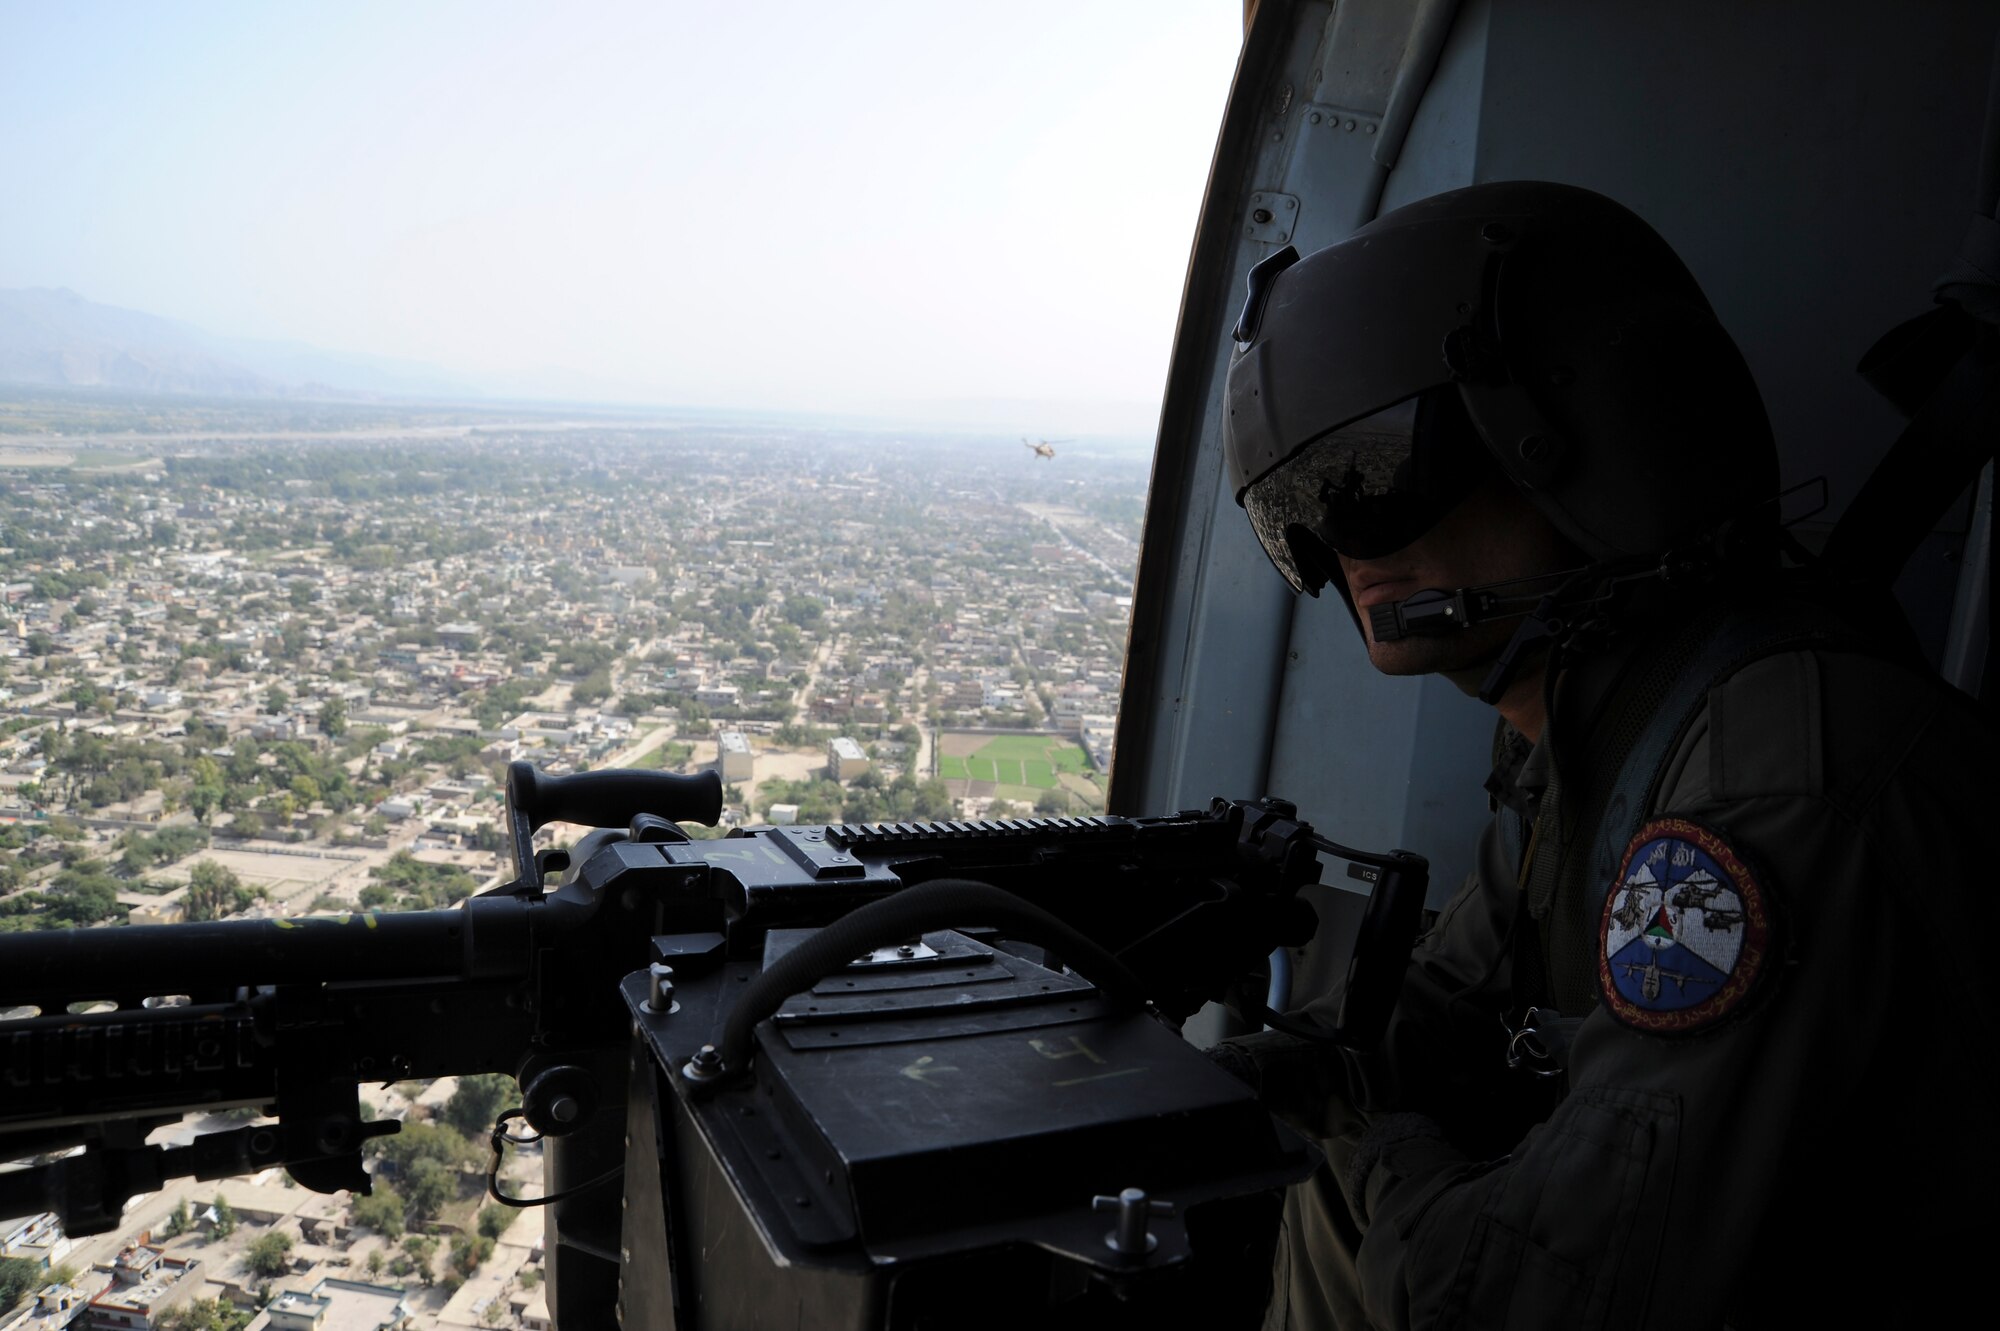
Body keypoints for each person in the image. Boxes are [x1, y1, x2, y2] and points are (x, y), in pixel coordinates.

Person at [1211, 181, 1994, 1328]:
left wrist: (1369, 1138)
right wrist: (1280, 1074)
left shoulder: (1769, 784)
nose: (1340, 543)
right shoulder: (1586, 724)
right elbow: (1457, 1006)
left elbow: (1522, 1300)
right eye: (1307, 503)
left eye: (1374, 481)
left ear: (1586, 440)